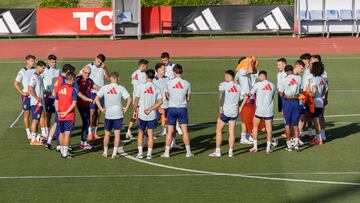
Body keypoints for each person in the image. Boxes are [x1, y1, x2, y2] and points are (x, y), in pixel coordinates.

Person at [95, 72, 131, 159]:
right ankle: (114, 153)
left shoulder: (105, 87)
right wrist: (126, 108)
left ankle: (105, 152)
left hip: (108, 114)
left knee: (107, 134)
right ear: (118, 78)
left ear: (110, 78)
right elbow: (129, 98)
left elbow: (96, 99)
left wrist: (101, 108)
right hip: (118, 113)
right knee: (117, 135)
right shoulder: (120, 88)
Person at [161, 64, 193, 158]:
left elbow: (166, 95)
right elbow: (188, 97)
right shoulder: (187, 83)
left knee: (170, 131)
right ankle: (188, 152)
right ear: (181, 72)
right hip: (182, 109)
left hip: (172, 109)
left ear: (174, 72)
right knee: (185, 131)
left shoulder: (169, 83)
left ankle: (167, 153)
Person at [240, 71, 275, 154]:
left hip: (259, 111)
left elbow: (250, 94)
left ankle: (255, 147)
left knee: (255, 128)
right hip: (268, 111)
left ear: (261, 77)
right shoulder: (273, 85)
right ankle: (267, 149)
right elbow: (272, 97)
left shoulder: (257, 85)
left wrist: (242, 101)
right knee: (269, 130)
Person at [209, 70, 241, 157]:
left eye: (226, 75)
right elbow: (241, 98)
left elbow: (221, 96)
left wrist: (220, 107)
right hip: (234, 112)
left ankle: (218, 151)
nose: (225, 77)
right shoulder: (238, 86)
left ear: (229, 76)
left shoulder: (223, 84)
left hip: (226, 111)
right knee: (232, 132)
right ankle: (231, 151)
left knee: (218, 130)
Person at [45, 64, 75, 150]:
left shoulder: (58, 78)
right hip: (62, 105)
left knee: (56, 123)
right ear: (68, 72)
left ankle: (49, 141)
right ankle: (60, 146)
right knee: (60, 126)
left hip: (57, 103)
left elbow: (54, 92)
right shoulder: (64, 80)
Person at [134, 69, 162, 160]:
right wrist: (151, 109)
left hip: (142, 114)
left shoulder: (141, 86)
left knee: (140, 134)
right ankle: (149, 154)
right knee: (150, 134)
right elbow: (160, 102)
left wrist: (135, 110)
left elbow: (136, 100)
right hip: (152, 115)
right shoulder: (156, 88)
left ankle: (140, 153)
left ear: (146, 76)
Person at [81, 54, 110, 140]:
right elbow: (80, 75)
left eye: (101, 62)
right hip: (92, 93)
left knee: (98, 113)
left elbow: (108, 78)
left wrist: (105, 68)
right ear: (96, 58)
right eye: (98, 61)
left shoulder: (102, 67)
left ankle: (95, 132)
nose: (99, 63)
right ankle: (90, 132)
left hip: (101, 93)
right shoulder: (88, 66)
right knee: (92, 113)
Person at [75, 66, 99, 149]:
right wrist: (90, 99)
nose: (87, 75)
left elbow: (96, 87)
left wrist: (106, 89)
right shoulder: (78, 79)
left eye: (89, 73)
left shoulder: (89, 80)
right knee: (86, 122)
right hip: (81, 104)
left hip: (87, 104)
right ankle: (83, 142)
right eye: (86, 73)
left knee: (87, 122)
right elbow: (78, 92)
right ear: (82, 72)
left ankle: (83, 142)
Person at [278, 65, 302, 151]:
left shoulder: (283, 80)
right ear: (292, 70)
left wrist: (286, 95)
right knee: (295, 125)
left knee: (287, 124)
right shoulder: (299, 78)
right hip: (296, 102)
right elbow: (301, 91)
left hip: (287, 103)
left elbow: (280, 94)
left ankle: (288, 145)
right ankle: (296, 144)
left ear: (286, 71)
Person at [55, 72, 78, 158]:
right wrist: (66, 112)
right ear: (72, 79)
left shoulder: (60, 89)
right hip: (69, 116)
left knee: (61, 133)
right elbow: (74, 103)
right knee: (67, 134)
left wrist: (58, 111)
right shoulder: (73, 90)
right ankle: (65, 152)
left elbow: (56, 100)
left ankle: (61, 150)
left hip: (60, 115)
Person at [13, 55, 36, 140]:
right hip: (26, 96)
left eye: (33, 61)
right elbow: (15, 83)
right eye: (31, 61)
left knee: (36, 115)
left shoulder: (35, 70)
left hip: (34, 96)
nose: (33, 62)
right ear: (27, 61)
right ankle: (28, 133)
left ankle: (35, 133)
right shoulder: (22, 71)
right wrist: (22, 92)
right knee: (27, 113)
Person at [161, 52, 183, 135]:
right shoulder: (161, 67)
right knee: (164, 110)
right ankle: (164, 129)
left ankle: (177, 126)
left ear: (168, 58)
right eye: (163, 60)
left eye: (165, 60)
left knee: (174, 107)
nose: (164, 62)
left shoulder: (173, 66)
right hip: (164, 90)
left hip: (173, 90)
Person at [126, 59, 149, 139]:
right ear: (142, 65)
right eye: (146, 66)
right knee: (140, 116)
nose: (147, 68)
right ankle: (143, 133)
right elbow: (139, 87)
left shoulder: (139, 73)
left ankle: (129, 131)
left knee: (135, 115)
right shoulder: (139, 74)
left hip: (139, 98)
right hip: (139, 99)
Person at [235, 57, 255, 144]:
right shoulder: (242, 70)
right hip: (245, 97)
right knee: (245, 119)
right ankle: (243, 137)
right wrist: (249, 62)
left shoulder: (240, 71)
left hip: (248, 96)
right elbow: (250, 71)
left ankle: (247, 135)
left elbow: (235, 79)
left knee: (249, 117)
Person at [309, 62, 328, 145]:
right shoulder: (322, 79)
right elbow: (326, 89)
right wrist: (322, 95)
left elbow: (314, 90)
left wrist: (310, 97)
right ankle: (319, 137)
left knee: (316, 121)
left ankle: (319, 139)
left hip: (315, 102)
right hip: (320, 100)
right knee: (319, 119)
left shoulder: (313, 79)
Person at [28, 61, 47, 145]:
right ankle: (33, 139)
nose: (44, 70)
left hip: (40, 103)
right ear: (38, 67)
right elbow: (30, 88)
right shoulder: (34, 76)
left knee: (40, 117)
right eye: (43, 68)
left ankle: (42, 135)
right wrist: (36, 97)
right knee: (35, 120)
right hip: (36, 103)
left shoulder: (39, 76)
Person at [43, 54, 60, 134]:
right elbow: (40, 81)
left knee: (57, 116)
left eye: (55, 62)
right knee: (48, 115)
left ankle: (56, 132)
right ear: (48, 61)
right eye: (52, 62)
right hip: (48, 96)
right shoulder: (45, 70)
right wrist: (44, 91)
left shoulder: (58, 70)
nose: (54, 64)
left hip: (57, 97)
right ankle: (47, 132)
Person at [154, 63, 170, 136]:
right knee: (153, 122)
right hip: (157, 105)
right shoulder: (153, 80)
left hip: (167, 104)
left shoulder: (167, 78)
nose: (165, 70)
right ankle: (145, 137)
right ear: (158, 70)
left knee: (167, 120)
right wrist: (158, 106)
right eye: (163, 69)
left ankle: (164, 131)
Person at [300, 53, 314, 137]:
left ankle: (301, 132)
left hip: (308, 94)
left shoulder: (311, 69)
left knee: (306, 114)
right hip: (304, 93)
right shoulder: (306, 69)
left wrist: (307, 94)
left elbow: (310, 82)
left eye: (303, 60)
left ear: (307, 60)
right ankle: (309, 132)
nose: (303, 62)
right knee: (306, 114)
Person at [276, 58, 287, 138]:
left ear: (284, 64)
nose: (278, 66)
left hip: (286, 95)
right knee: (282, 113)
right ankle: (286, 129)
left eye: (279, 64)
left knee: (286, 113)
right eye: (277, 65)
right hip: (280, 95)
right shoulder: (279, 74)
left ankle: (288, 131)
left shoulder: (288, 74)